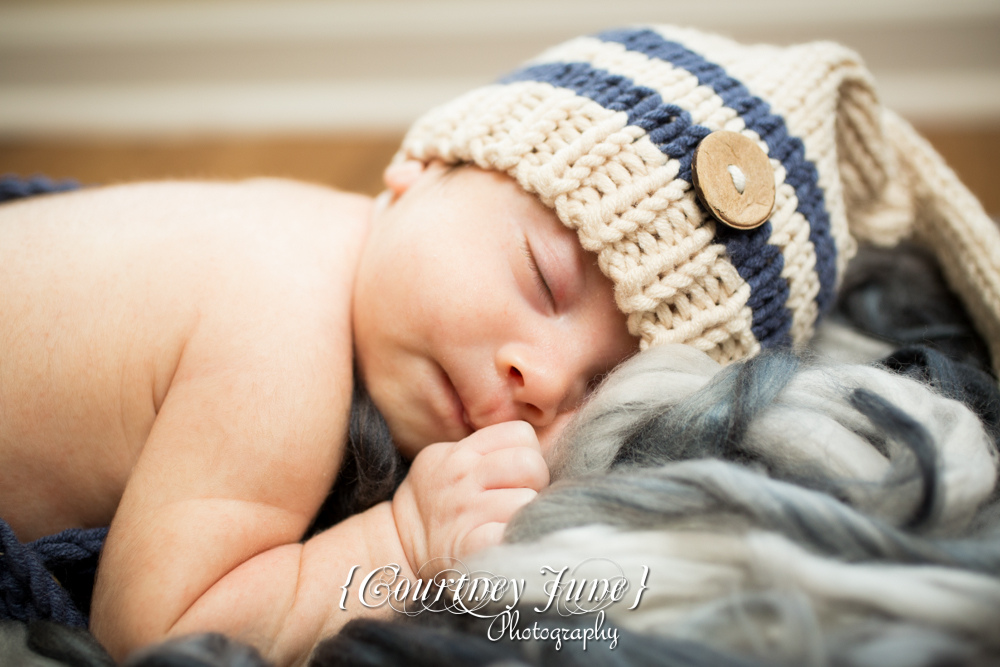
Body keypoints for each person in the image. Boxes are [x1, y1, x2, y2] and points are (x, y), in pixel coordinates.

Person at [2, 23, 999, 667]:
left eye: (607, 383)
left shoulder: (307, 232)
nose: (545, 376)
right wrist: (401, 543)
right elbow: (156, 625)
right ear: (427, 164)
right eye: (541, 278)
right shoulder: (278, 333)